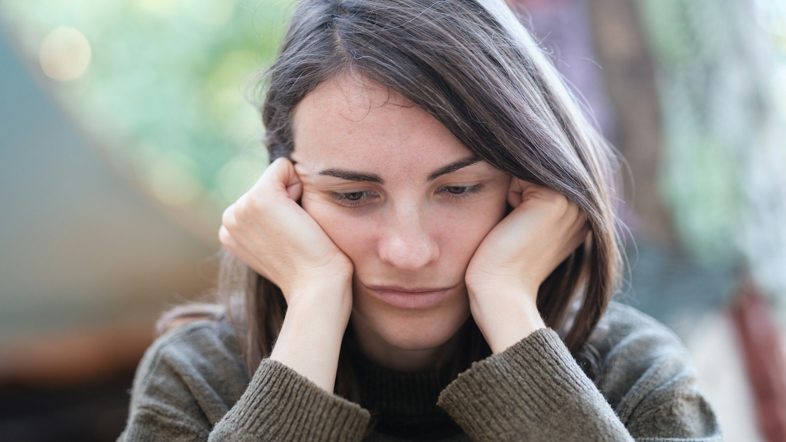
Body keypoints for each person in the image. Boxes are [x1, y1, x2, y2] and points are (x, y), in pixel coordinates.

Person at [118, 0, 722, 440]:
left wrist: (507, 302)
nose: (408, 252)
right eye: (354, 195)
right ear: (285, 190)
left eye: (458, 188)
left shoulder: (632, 376)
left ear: (530, 186)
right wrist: (313, 308)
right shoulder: (199, 379)